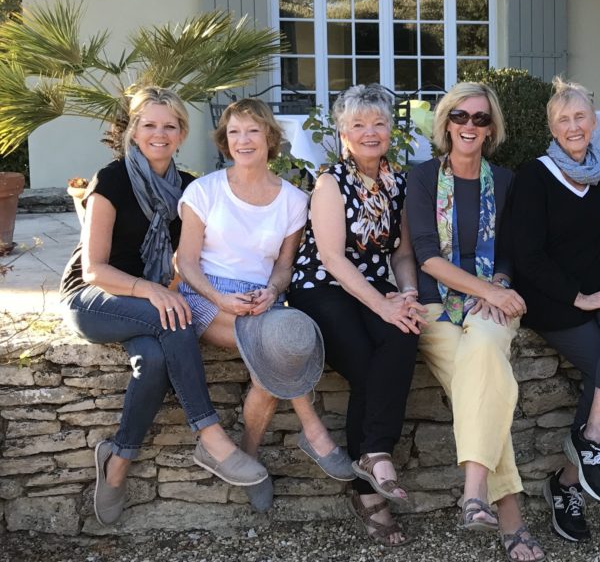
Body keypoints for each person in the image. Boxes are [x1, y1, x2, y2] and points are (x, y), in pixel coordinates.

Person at [58, 87, 267, 527]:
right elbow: (94, 268)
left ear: (181, 133)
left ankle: (117, 462)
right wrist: (153, 290)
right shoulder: (111, 180)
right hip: (95, 298)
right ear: (134, 132)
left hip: (147, 303)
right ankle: (211, 436)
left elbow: (186, 260)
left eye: (169, 125)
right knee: (174, 316)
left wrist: (171, 288)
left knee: (153, 359)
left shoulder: (189, 188)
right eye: (149, 125)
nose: (159, 133)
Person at [176, 99, 353, 514]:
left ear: (269, 138)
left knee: (280, 346)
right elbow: (184, 264)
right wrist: (220, 297)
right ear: (225, 140)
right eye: (234, 132)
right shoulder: (204, 191)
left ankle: (248, 457)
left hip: (261, 300)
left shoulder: (293, 200)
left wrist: (272, 293)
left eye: (252, 131)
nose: (243, 140)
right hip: (206, 296)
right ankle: (314, 432)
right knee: (278, 346)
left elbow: (283, 269)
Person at [508, 79, 600, 543]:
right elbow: (526, 254)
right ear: (551, 127)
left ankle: (587, 446)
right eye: (563, 119)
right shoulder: (536, 175)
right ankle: (568, 485)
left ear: (594, 123)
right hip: (555, 302)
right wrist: (576, 297)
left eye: (580, 117)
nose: (573, 126)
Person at [406, 82, 545, 562]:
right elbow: (426, 255)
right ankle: (508, 518)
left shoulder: (504, 181)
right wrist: (492, 291)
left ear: (492, 128)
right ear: (446, 123)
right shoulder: (422, 178)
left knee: (483, 354)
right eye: (460, 116)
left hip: (488, 304)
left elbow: (507, 248)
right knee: (481, 385)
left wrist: (499, 281)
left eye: (480, 119)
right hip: (436, 307)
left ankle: (473, 493)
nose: (469, 125)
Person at [289, 84, 426, 546]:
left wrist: (405, 295)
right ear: (343, 133)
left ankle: (370, 462)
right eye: (358, 125)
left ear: (391, 130)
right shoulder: (331, 181)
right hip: (323, 287)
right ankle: (372, 483)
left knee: (405, 334)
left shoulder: (399, 183)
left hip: (374, 287)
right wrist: (382, 304)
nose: (370, 132)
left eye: (379, 123)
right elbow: (332, 258)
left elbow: (404, 253)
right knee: (369, 367)